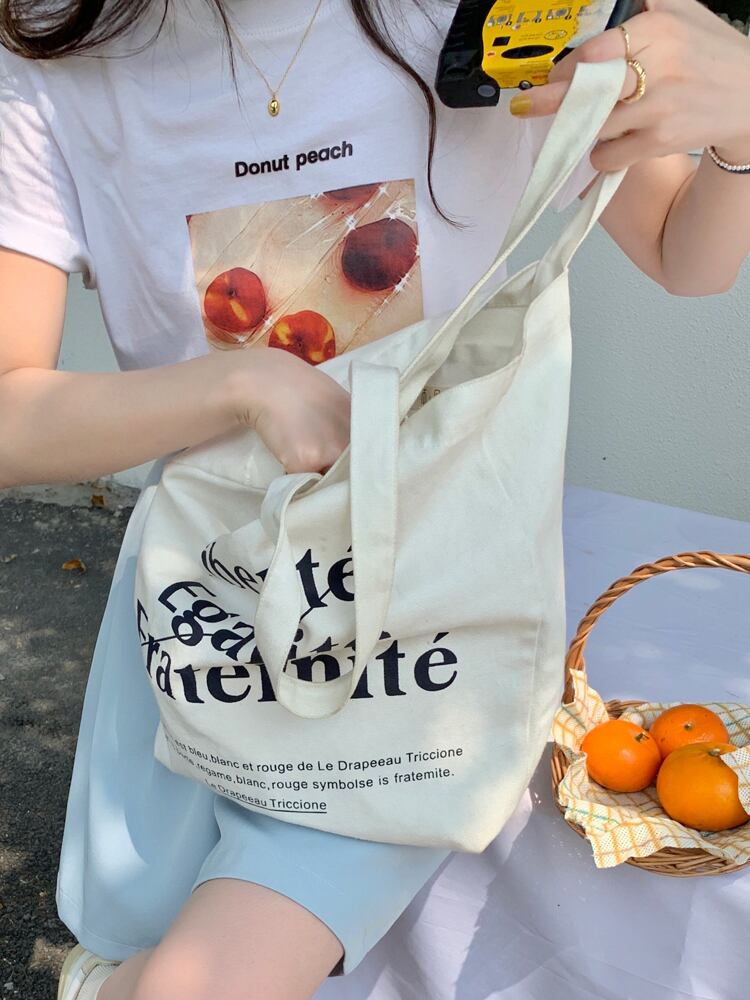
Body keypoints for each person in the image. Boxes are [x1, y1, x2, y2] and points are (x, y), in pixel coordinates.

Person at [0, 0, 748, 997]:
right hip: (206, 601)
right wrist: (240, 381)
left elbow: (685, 253)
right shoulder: (54, 53)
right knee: (149, 938)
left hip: (425, 612)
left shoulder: (499, 13)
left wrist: (741, 121)